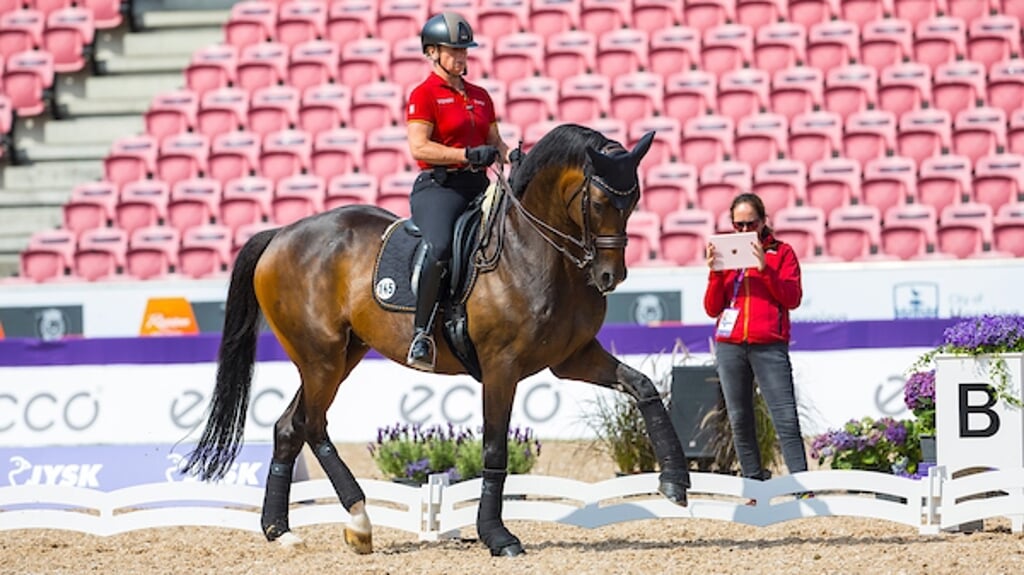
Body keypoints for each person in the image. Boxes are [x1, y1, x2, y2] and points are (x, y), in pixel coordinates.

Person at [404, 12, 510, 371]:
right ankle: (421, 335)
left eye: (465, 50)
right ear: (432, 52)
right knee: (440, 248)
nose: (462, 56)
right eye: (454, 50)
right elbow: (419, 148)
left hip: (479, 185)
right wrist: (464, 155)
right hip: (440, 187)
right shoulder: (424, 94)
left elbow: (497, 142)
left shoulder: (481, 97)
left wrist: (515, 156)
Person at [702, 193, 809, 485]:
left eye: (750, 223)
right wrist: (714, 273)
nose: (744, 231)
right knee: (739, 419)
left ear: (763, 222)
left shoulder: (782, 253)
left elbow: (792, 298)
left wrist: (765, 270)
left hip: (769, 346)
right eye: (738, 225)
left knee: (784, 417)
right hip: (730, 345)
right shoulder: (727, 253)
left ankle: (802, 485)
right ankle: (752, 484)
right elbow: (713, 308)